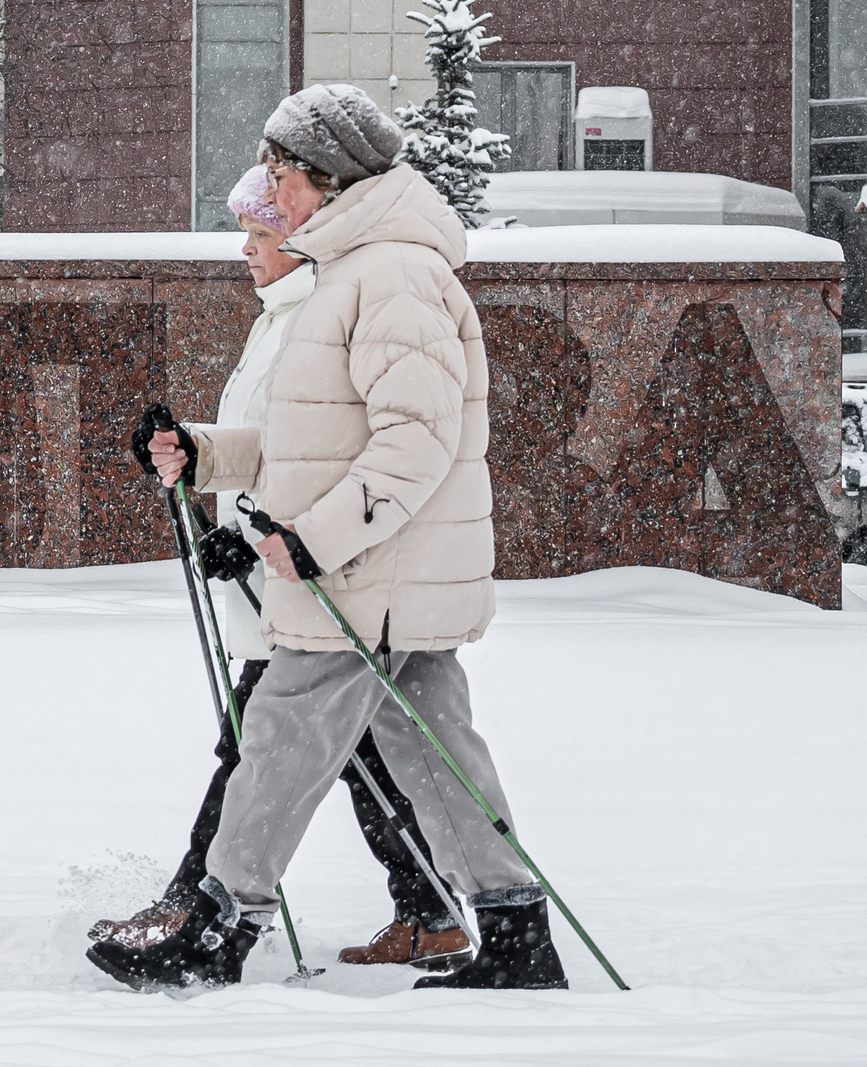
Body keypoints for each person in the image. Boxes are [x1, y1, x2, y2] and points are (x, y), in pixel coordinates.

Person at [92, 83, 566, 995]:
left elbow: (414, 439)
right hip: (383, 569)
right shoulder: (353, 269)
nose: (274, 194)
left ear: (328, 176)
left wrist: (313, 540)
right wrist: (204, 454)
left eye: (281, 174)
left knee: (282, 733)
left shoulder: (389, 274)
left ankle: (218, 926)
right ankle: (514, 933)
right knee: (432, 747)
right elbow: (318, 439)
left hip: (366, 572)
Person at [89, 167, 470, 971]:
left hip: (311, 570)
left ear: (299, 241)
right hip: (281, 566)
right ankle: (428, 907)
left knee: (262, 740)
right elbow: (271, 446)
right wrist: (193, 453)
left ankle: (200, 903)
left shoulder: (319, 317)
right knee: (342, 745)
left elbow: (340, 453)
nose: (246, 249)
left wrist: (274, 534)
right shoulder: (278, 319)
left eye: (260, 234)